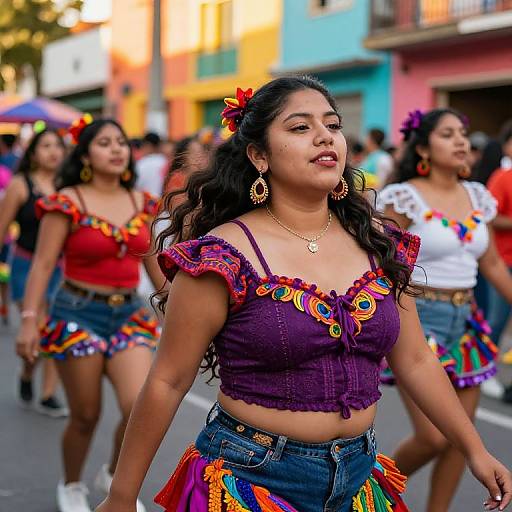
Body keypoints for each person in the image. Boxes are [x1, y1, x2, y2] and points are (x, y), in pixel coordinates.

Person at [95, 78, 511, 512]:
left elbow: (415, 359)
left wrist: (474, 450)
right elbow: (167, 380)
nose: (324, 136)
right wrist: (122, 496)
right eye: (299, 127)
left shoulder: (378, 242)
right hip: (250, 479)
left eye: (332, 125)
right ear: (258, 155)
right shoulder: (222, 256)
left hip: (358, 479)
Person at [15, 117, 165, 512]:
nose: (117, 149)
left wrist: (180, 306)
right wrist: (30, 319)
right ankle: (72, 483)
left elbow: (153, 266)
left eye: (121, 141)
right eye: (104, 142)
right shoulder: (66, 201)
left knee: (138, 406)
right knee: (85, 414)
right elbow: (44, 264)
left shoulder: (141, 203)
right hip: (75, 315)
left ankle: (116, 476)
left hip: (130, 314)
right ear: (84, 154)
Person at [378, 107, 512, 512]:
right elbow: (380, 261)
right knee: (433, 437)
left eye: (463, 134)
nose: (460, 142)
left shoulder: (477, 196)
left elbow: (489, 263)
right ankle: (367, 490)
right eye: (447, 134)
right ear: (422, 147)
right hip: (420, 320)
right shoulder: (403, 197)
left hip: (466, 320)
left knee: (461, 437)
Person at [0, 127, 68, 416]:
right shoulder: (20, 185)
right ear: (33, 153)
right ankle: (28, 374)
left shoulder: (69, 186)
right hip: (26, 266)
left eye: (58, 146)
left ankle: (48, 393)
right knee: (39, 331)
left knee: (54, 331)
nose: (53, 151)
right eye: (46, 145)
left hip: (63, 269)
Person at [484, 120, 512, 403]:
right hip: (503, 261)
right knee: (497, 319)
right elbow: (491, 217)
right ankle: (485, 370)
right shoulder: (502, 178)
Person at [135, 132, 167, 197]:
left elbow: (136, 185)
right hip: (163, 202)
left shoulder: (141, 163)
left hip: (146, 203)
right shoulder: (165, 161)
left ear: (148, 145)